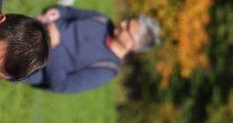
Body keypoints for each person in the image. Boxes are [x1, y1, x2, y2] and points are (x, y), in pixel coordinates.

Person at [22, 6, 160, 94]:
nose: (123, 23)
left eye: (127, 28)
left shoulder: (106, 69)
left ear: (132, 45)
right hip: (27, 28)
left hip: (27, 61)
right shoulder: (103, 20)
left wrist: (55, 46)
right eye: (127, 21)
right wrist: (56, 12)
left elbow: (60, 85)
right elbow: (69, 12)